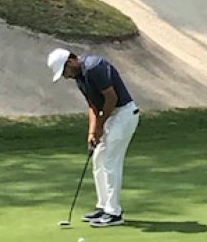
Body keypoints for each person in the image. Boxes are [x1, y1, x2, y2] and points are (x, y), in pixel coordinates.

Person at [46, 48, 140, 228]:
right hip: (111, 116)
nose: (65, 76)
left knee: (110, 161)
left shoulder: (95, 66)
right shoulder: (79, 77)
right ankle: (103, 206)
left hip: (124, 114)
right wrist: (92, 132)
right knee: (98, 159)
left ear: (70, 61)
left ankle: (114, 213)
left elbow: (111, 98)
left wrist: (100, 125)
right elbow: (93, 106)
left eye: (64, 71)